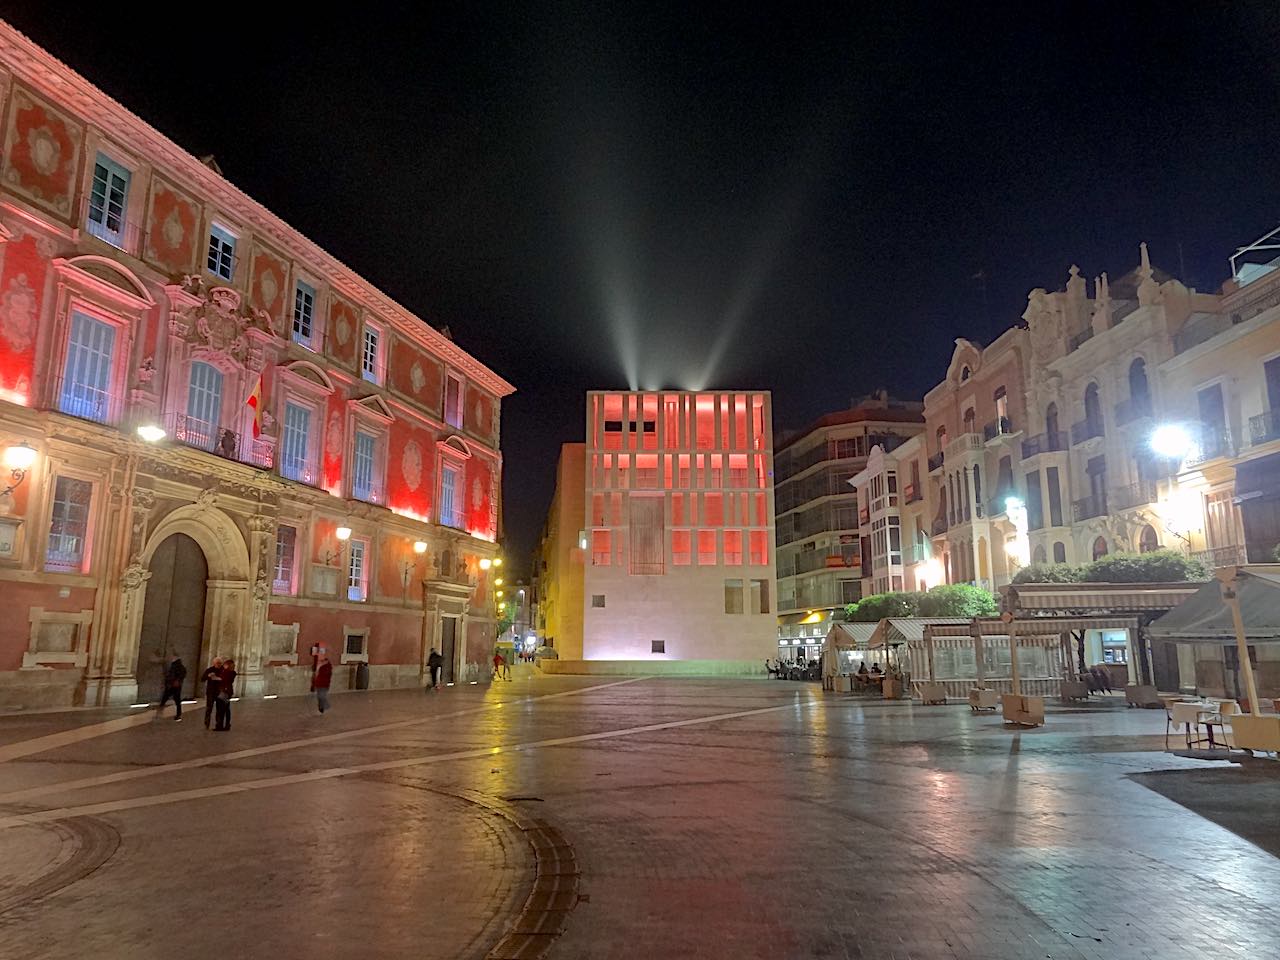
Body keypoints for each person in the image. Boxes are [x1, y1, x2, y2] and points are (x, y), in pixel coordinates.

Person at [159, 654, 187, 721]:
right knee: (177, 701)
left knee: (165, 698)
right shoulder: (181, 667)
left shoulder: (174, 666)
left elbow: (171, 676)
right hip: (176, 686)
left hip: (172, 686)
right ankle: (178, 715)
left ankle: (159, 713)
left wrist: (168, 682)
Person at [214, 658, 237, 731]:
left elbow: (223, 679)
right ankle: (226, 725)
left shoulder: (227, 672)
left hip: (224, 692)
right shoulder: (232, 672)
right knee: (226, 709)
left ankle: (220, 725)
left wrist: (215, 678)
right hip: (227, 692)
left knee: (221, 709)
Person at [201, 657, 223, 728]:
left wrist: (220, 679)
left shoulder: (223, 670)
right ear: (214, 663)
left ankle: (218, 723)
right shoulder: (209, 670)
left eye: (220, 663)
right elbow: (202, 679)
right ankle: (206, 723)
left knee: (219, 709)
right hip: (211, 691)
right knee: (209, 708)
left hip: (220, 691)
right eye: (217, 663)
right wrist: (208, 676)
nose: (218, 664)